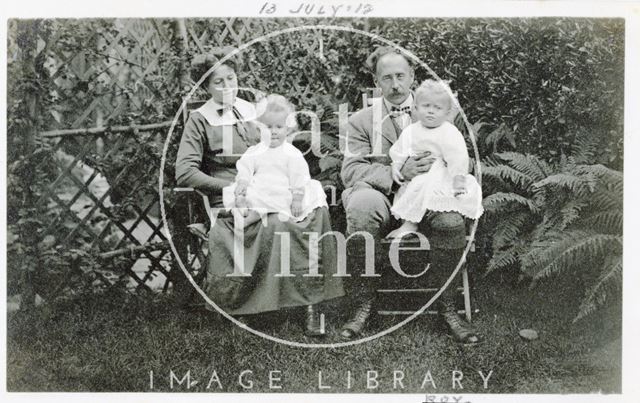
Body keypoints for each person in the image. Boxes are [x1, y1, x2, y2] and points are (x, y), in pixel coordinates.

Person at [175, 47, 343, 337]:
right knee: (277, 222)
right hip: (232, 194)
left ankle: (312, 303)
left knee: (315, 209)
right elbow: (185, 172)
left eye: (231, 78)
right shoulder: (199, 120)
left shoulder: (254, 111)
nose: (227, 87)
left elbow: (280, 144)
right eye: (218, 82)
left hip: (271, 186)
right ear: (205, 87)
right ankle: (254, 304)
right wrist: (232, 187)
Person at [340, 47, 479, 344]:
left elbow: (457, 155)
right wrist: (397, 172)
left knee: (451, 222)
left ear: (413, 77)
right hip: (384, 196)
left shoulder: (435, 107)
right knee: (362, 206)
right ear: (376, 82)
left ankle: (447, 306)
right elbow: (351, 170)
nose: (395, 84)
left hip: (429, 192)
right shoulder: (361, 121)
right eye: (386, 78)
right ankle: (364, 304)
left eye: (401, 76)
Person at [387, 79, 483, 239]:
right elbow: (399, 150)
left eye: (437, 108)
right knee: (415, 188)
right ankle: (410, 224)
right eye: (426, 106)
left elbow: (458, 156)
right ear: (416, 108)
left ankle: (453, 227)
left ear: (447, 112)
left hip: (443, 175)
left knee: (445, 197)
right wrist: (396, 166)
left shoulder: (449, 131)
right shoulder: (411, 131)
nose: (431, 111)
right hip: (419, 175)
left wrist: (458, 177)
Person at [222, 94, 328, 226]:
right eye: (268, 127)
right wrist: (243, 182)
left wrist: (297, 198)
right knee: (250, 194)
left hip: (283, 188)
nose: (273, 132)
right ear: (259, 128)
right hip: (261, 186)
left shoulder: (291, 153)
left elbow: (299, 177)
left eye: (279, 127)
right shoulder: (255, 151)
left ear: (288, 129)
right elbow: (245, 168)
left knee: (301, 192)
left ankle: (249, 218)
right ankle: (243, 204)